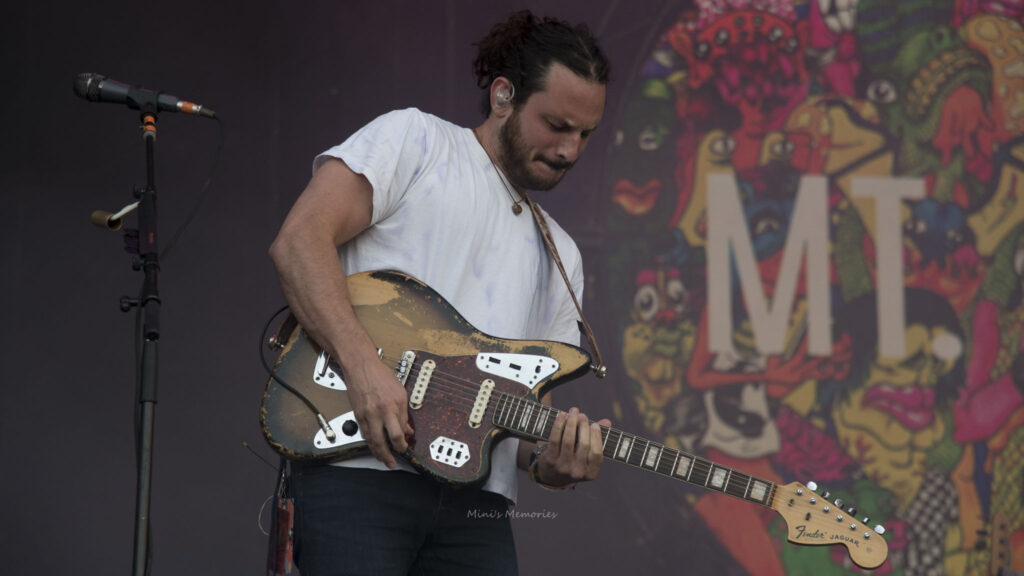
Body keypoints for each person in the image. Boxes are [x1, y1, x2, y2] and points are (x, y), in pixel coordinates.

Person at [268, 10, 612, 576]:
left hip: (477, 508)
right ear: (503, 96)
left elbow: (528, 424)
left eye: (585, 134)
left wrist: (554, 463)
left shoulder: (563, 256)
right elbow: (299, 241)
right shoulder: (416, 140)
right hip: (358, 469)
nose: (570, 150)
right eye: (556, 124)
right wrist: (364, 368)